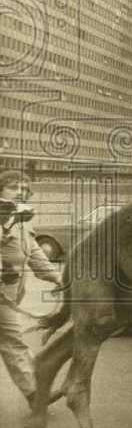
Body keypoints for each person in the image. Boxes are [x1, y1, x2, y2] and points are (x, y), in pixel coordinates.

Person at [0, 170, 63, 406]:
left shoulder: (22, 222)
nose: (21, 192)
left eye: (25, 189)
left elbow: (35, 256)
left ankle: (36, 389)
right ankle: (35, 394)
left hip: (12, 290)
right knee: (12, 339)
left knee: (10, 339)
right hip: (2, 291)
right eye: (14, 187)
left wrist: (59, 279)